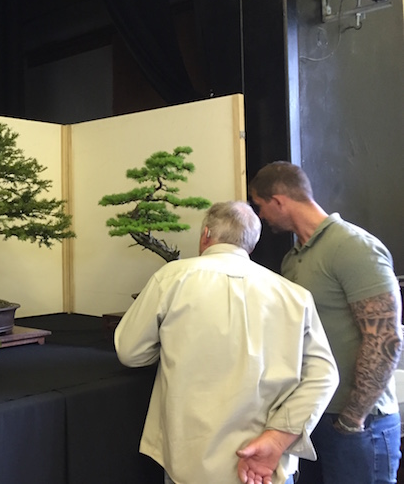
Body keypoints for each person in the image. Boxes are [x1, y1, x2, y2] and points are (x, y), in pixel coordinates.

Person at [114, 201, 339, 484]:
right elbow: (324, 375)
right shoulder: (295, 296)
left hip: (190, 461)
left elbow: (129, 352)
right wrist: (278, 437)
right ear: (251, 244)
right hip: (265, 467)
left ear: (206, 234)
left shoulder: (171, 279)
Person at [249, 161, 403, 483]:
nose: (261, 216)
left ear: (278, 201)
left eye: (260, 206)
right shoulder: (293, 260)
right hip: (314, 418)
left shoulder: (353, 246)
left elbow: (385, 338)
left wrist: (352, 418)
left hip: (359, 426)